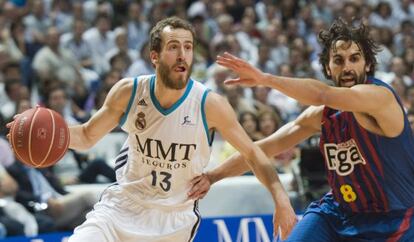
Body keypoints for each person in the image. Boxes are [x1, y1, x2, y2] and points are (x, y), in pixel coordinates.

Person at [6, 17, 296, 241]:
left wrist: (281, 200)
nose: (183, 55)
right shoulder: (129, 92)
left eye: (188, 47)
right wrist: (42, 132)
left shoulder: (210, 104)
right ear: (154, 57)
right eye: (173, 47)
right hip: (122, 208)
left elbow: (254, 155)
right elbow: (86, 136)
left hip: (173, 221)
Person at [189, 18, 414, 241]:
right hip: (339, 213)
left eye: (354, 59)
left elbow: (321, 94)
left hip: (392, 219)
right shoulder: (322, 116)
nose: (346, 67)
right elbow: (262, 148)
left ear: (367, 64)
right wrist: (212, 176)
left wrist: (265, 79)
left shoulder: (380, 98)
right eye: (338, 60)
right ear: (328, 67)